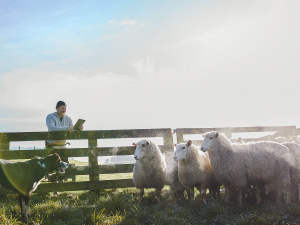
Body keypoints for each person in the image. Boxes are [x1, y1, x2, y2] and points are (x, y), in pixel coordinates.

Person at [46, 101, 84, 195]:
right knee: (52, 167)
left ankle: (61, 188)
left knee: (64, 166)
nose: (64, 110)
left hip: (63, 146)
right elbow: (51, 128)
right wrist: (66, 128)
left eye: (65, 108)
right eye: (62, 108)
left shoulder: (68, 118)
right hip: (52, 146)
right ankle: (55, 190)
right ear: (57, 108)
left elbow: (71, 129)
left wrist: (79, 129)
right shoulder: (50, 116)